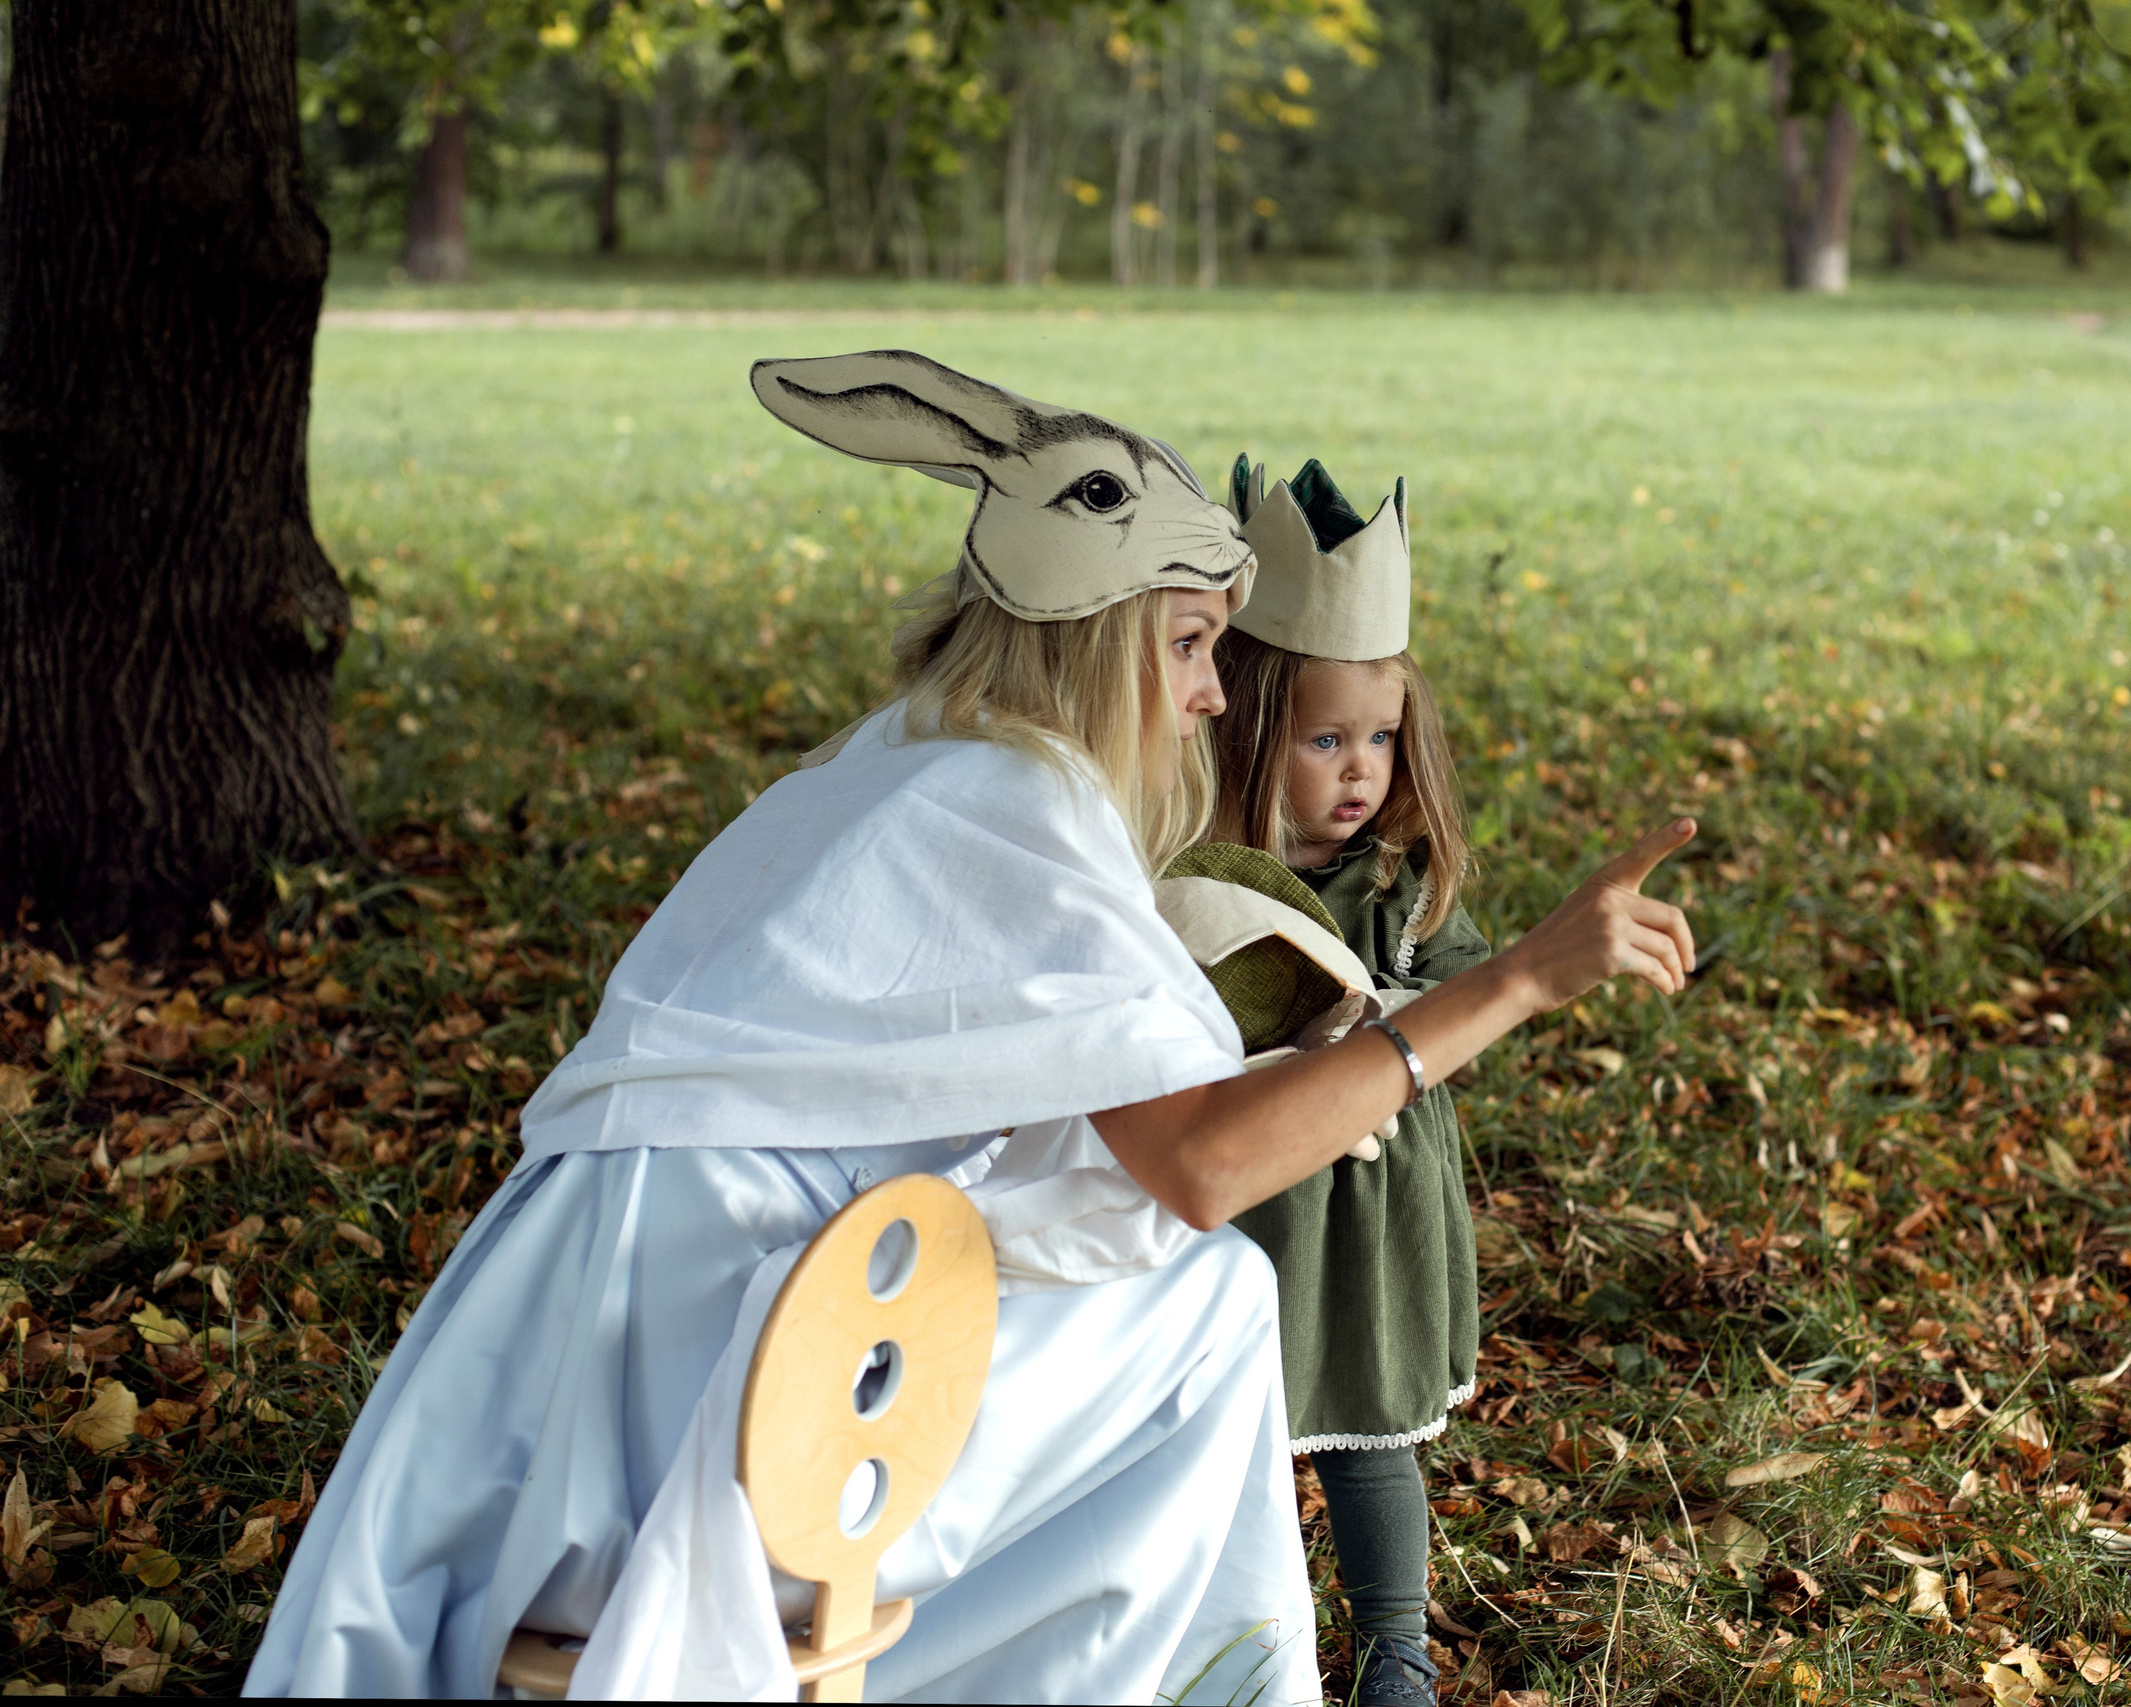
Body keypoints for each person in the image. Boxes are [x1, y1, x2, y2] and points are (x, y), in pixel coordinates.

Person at [243, 351, 1697, 1702]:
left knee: (1174, 1291)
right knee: (1209, 1306)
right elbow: (1195, 1167)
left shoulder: (899, 759)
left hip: (563, 1358)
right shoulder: (1019, 803)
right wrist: (1509, 983)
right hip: (695, 1381)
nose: (1209, 694)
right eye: (1190, 643)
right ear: (1097, 634)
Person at [1205, 456, 1484, 1706]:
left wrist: (1393, 1023)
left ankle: (1395, 1651)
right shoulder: (1199, 886)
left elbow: (1468, 1011)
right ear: (1252, 728)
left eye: (1378, 739)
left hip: (1368, 1216)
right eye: (1326, 740)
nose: (1360, 771)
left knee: (1371, 1444)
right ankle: (1236, 1643)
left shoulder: (1396, 889)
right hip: (1250, 1203)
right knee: (1232, 1434)